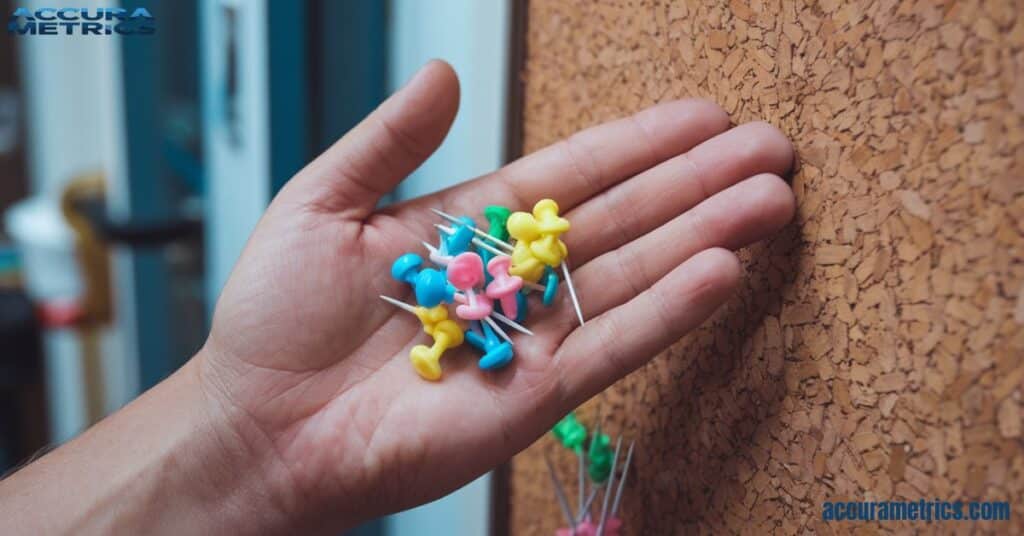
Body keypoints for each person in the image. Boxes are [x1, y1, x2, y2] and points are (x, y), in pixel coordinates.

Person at [0, 60, 795, 534]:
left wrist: (232, 435)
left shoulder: (495, 274)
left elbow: (501, 285)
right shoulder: (463, 284)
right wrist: (238, 434)